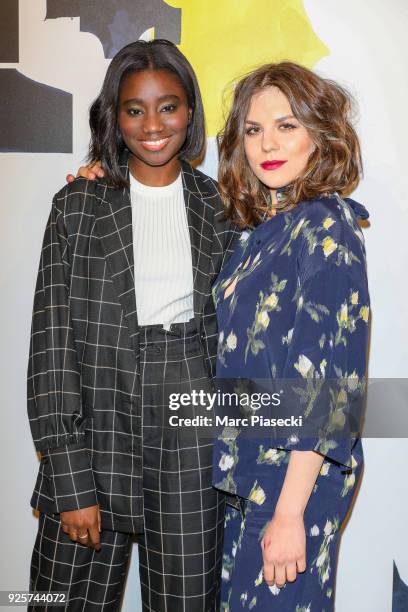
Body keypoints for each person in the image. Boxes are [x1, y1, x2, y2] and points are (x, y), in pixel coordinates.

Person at [27, 39, 237, 612]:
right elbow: (52, 349)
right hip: (96, 425)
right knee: (53, 599)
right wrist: (70, 478)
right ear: (114, 117)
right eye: (134, 109)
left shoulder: (221, 208)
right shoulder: (77, 206)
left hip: (192, 430)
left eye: (168, 106)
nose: (152, 125)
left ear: (190, 112)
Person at [211, 62, 370, 610]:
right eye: (253, 130)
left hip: (290, 487)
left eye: (287, 125)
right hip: (248, 482)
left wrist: (289, 512)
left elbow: (331, 382)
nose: (267, 144)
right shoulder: (261, 233)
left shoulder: (327, 225)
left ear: (319, 137)